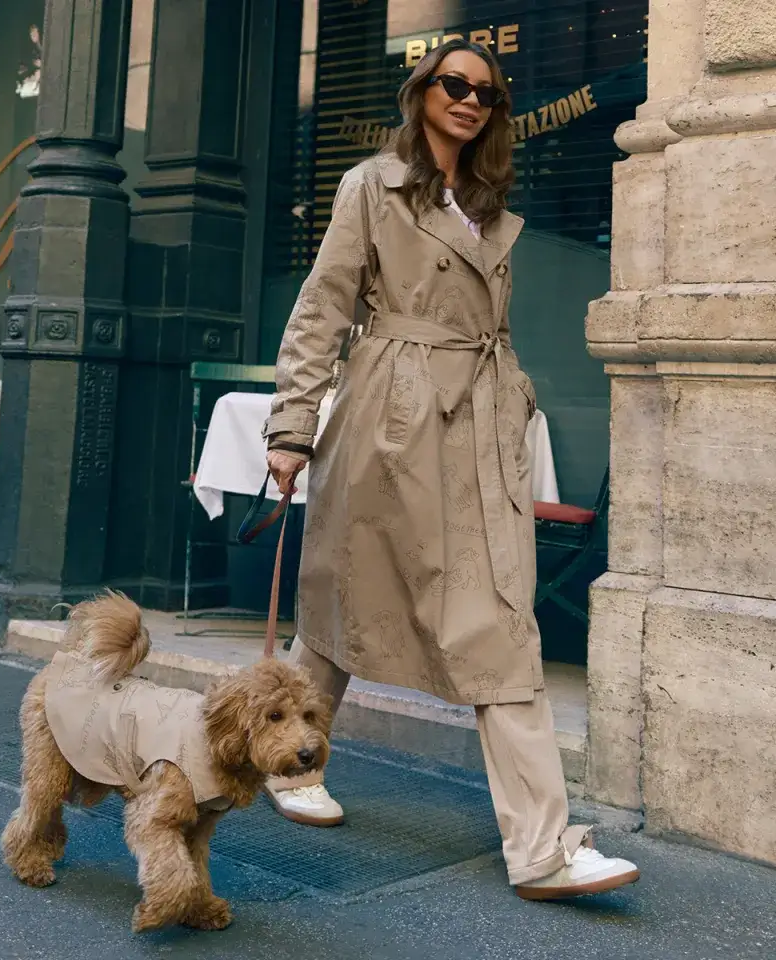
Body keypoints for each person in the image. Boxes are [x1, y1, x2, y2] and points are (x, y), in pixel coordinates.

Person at [259, 38, 640, 900]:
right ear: (421, 92)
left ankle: (539, 847)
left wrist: (516, 396)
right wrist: (291, 426)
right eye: (454, 84)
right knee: (345, 595)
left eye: (488, 94)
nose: (471, 100)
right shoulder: (371, 184)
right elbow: (322, 307)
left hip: (478, 417)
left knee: (499, 620)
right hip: (391, 415)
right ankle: (282, 764)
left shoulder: (483, 196)